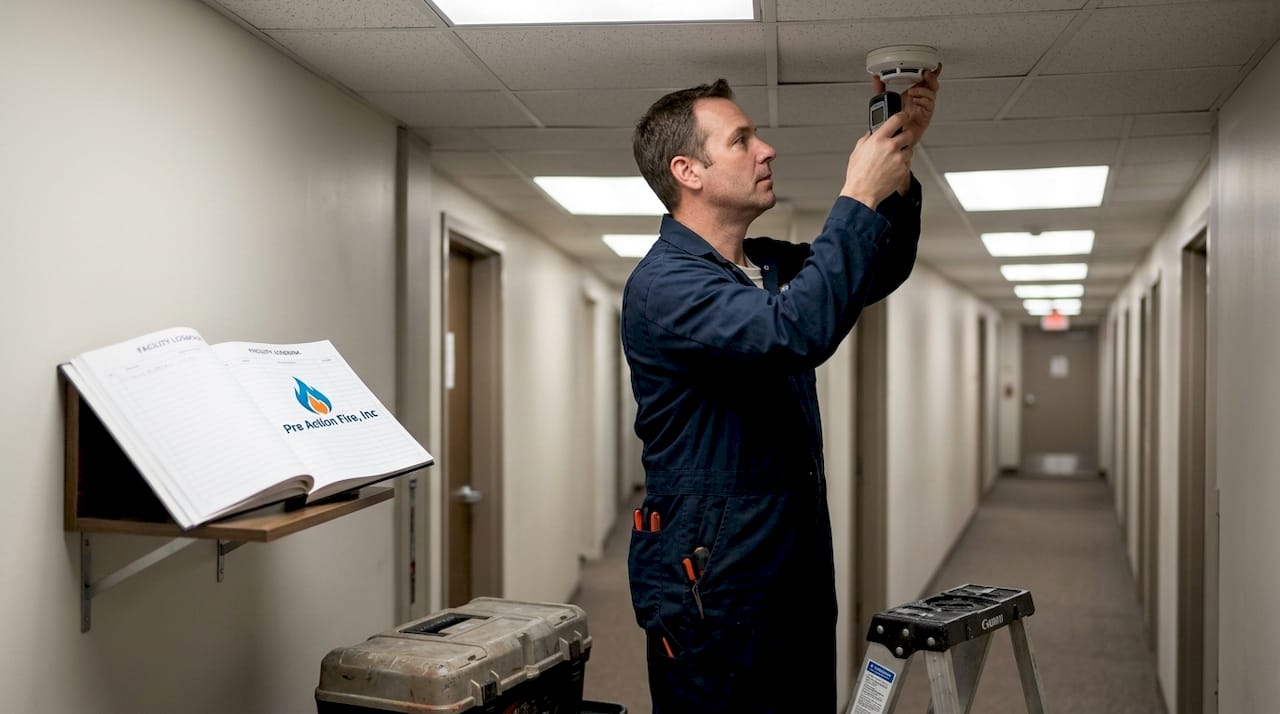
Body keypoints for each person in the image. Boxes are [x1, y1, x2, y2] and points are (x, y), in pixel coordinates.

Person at [620, 66, 941, 714]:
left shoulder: (760, 265)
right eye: (742, 140)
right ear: (689, 172)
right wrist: (853, 193)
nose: (766, 150)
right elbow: (798, 329)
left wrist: (896, 156)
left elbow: (872, 270)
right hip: (716, 594)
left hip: (787, 571)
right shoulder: (667, 289)